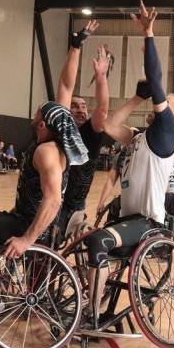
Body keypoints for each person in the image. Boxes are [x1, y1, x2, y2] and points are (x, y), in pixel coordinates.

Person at [85, 0, 174, 322]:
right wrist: (135, 98)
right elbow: (107, 125)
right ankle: (96, 296)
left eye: (165, 104)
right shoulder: (139, 136)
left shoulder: (166, 135)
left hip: (148, 224)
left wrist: (148, 33)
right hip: (127, 218)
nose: (159, 103)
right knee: (86, 240)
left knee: (99, 241)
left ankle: (92, 313)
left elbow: (156, 81)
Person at [0, 102, 87, 322]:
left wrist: (27, 239)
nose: (34, 113)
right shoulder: (52, 149)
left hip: (26, 227)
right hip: (23, 219)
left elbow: (54, 200)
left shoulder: (46, 151)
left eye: (38, 111)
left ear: (43, 123)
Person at [54, 19, 110, 241]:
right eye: (75, 106)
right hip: (49, 198)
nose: (80, 109)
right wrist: (75, 47)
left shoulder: (90, 134)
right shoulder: (61, 126)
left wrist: (101, 78)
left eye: (83, 106)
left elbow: (102, 109)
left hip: (72, 205)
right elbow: (65, 86)